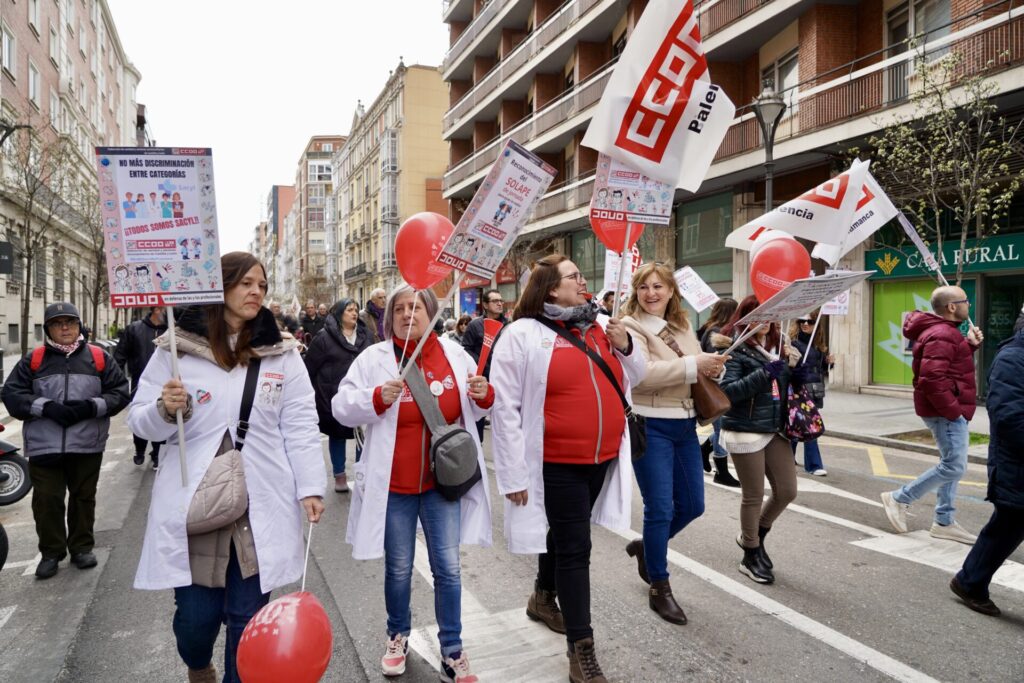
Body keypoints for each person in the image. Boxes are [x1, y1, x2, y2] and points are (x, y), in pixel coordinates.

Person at [127, 253, 325, 683]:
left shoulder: (282, 354)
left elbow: (301, 424)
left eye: (262, 285)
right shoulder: (175, 352)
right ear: (220, 287)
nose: (256, 292)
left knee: (247, 618)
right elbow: (138, 419)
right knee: (195, 622)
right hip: (197, 502)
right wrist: (163, 409)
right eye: (246, 283)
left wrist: (311, 486)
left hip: (261, 502)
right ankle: (198, 665)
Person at [490, 255, 645, 683]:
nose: (582, 280)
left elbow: (638, 375)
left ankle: (542, 596)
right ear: (551, 288)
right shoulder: (521, 334)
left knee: (564, 532)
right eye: (573, 276)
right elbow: (504, 409)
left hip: (603, 458)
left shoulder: (601, 325)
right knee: (577, 548)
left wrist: (627, 346)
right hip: (556, 463)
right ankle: (582, 650)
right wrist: (514, 475)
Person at [332, 285, 492, 682]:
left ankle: (452, 649)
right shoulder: (374, 359)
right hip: (395, 489)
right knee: (399, 570)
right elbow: (340, 407)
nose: (408, 314)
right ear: (389, 319)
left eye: (417, 307)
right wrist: (374, 398)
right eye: (400, 308)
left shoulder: (455, 356)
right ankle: (397, 636)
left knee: (449, 570)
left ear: (432, 314)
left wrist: (485, 394)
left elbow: (477, 406)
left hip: (443, 486)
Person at [620, 263, 728, 625]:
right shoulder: (630, 327)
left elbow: (696, 369)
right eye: (644, 287)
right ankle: (659, 586)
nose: (652, 293)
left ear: (671, 292)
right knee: (660, 508)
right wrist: (694, 364)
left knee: (694, 505)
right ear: (636, 291)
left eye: (659, 287)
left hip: (685, 426)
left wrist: (714, 366)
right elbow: (641, 375)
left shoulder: (682, 326)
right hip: (650, 424)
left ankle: (646, 549)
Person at [1, 302, 129, 579]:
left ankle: (82, 548)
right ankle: (51, 553)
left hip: (86, 444)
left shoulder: (98, 358)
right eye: (57, 323)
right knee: (47, 501)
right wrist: (45, 407)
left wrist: (90, 407)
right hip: (44, 445)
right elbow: (12, 396)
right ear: (48, 329)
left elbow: (120, 392)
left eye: (69, 322)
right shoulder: (33, 360)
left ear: (79, 325)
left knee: (84, 498)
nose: (65, 327)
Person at [880, 286, 982, 545]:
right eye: (965, 301)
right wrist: (954, 411)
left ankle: (944, 521)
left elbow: (951, 367)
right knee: (954, 466)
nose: (968, 305)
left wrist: (969, 345)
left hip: (947, 410)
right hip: (945, 412)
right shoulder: (942, 334)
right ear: (951, 307)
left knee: (951, 465)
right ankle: (900, 497)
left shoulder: (946, 333)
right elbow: (932, 379)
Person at [712, 295, 798, 585]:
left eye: (771, 314)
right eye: (759, 315)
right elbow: (729, 392)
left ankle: (755, 536)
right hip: (745, 428)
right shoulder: (734, 349)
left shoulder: (777, 347)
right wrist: (765, 373)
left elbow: (785, 387)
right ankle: (750, 554)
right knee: (753, 494)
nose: (766, 320)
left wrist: (795, 367)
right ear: (745, 317)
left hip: (775, 428)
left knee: (786, 490)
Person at [950, 322, 1024, 617]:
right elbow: (1009, 417)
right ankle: (969, 582)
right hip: (1016, 463)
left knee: (1007, 527)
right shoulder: (1012, 359)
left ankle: (969, 581)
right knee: (1007, 527)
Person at [304, 298, 371, 493]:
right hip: (333, 394)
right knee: (337, 434)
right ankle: (339, 475)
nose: (354, 313)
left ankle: (362, 472)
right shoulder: (324, 337)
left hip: (360, 392)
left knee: (363, 434)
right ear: (340, 313)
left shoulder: (365, 335)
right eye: (349, 310)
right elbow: (310, 368)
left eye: (356, 309)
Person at [114, 306, 168, 469]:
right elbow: (119, 356)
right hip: (140, 384)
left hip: (164, 384)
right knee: (141, 418)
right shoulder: (134, 329)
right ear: (157, 309)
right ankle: (140, 449)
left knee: (162, 417)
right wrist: (116, 382)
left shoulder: (171, 330)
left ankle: (158, 453)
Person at [697, 297, 740, 487]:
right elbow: (714, 362)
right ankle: (721, 471)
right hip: (715, 387)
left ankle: (704, 449)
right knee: (723, 428)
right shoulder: (715, 332)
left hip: (723, 386)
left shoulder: (721, 330)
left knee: (724, 428)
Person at [787, 315, 834, 476]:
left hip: (815, 389)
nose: (805, 324)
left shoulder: (818, 344)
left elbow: (820, 370)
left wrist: (828, 363)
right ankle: (813, 465)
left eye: (810, 321)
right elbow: (790, 366)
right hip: (800, 390)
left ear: (816, 324)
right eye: (802, 321)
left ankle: (788, 458)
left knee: (797, 424)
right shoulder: (793, 343)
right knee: (809, 425)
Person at [462, 289, 508, 440]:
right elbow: (466, 349)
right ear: (486, 305)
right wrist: (484, 364)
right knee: (478, 420)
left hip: (504, 381)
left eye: (501, 301)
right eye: (495, 301)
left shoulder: (509, 326)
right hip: (483, 380)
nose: (500, 304)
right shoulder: (475, 326)